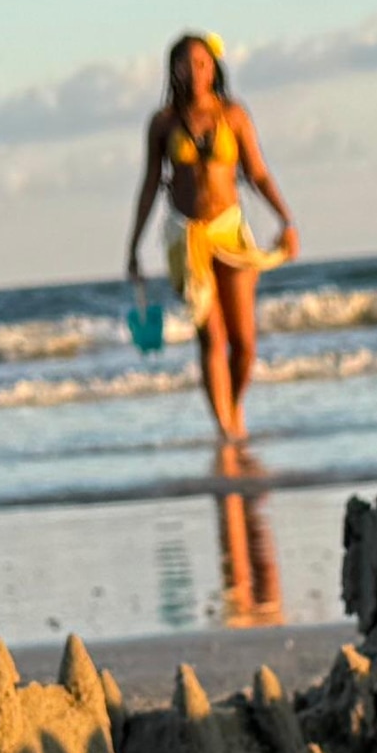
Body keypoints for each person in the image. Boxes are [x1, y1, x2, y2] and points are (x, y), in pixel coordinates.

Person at [123, 34, 298, 453]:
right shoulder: (163, 122)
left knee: (245, 342)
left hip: (230, 230)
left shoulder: (233, 115)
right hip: (186, 236)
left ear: (214, 67)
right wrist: (133, 246)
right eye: (185, 64)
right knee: (211, 337)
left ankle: (234, 408)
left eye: (202, 63)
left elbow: (257, 173)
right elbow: (150, 184)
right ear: (173, 70)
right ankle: (226, 430)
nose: (194, 71)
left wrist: (286, 220)